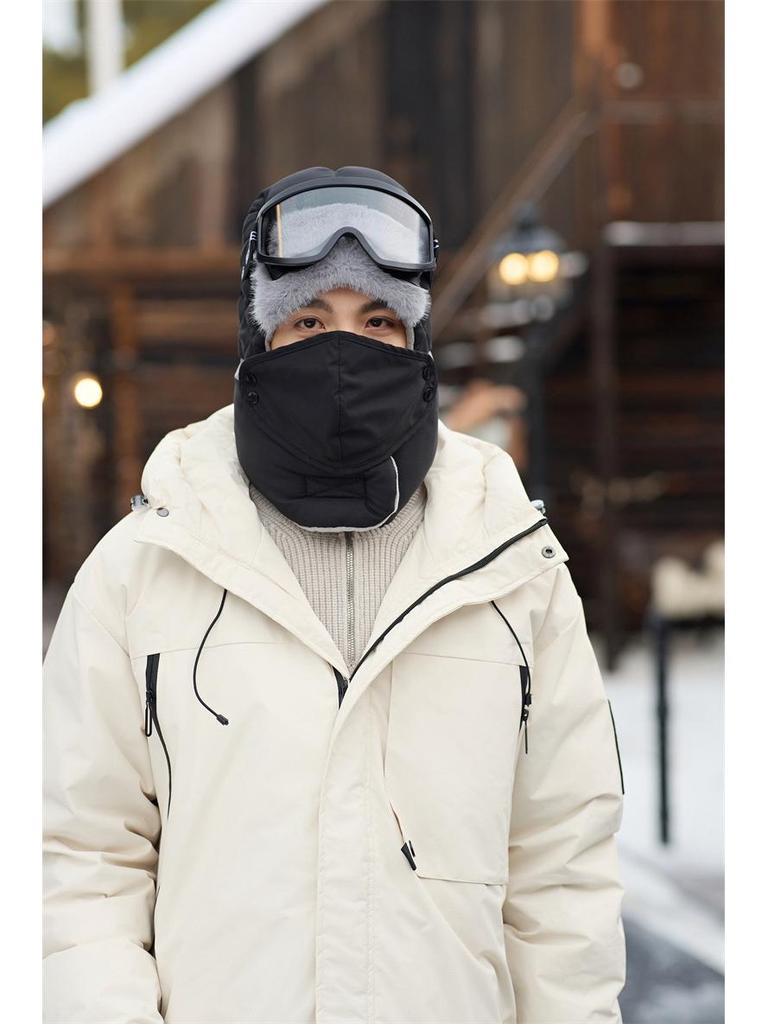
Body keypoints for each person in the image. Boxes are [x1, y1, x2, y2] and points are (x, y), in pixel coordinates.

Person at [43, 165, 626, 1023]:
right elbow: (79, 862)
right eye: (308, 321)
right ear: (260, 341)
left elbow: (562, 871)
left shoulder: (513, 568)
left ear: (416, 343)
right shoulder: (144, 567)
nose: (343, 352)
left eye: (378, 321)